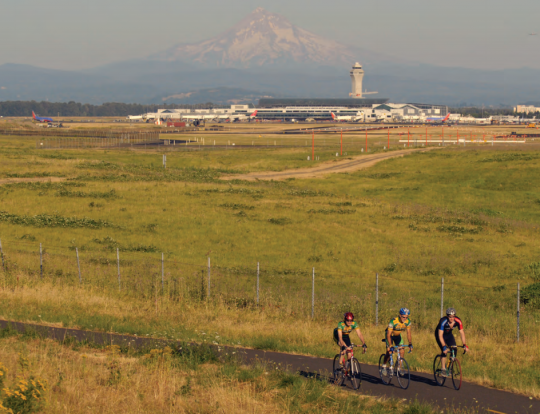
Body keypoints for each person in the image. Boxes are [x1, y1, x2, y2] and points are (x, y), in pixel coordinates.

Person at [435, 308, 469, 377]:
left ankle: (449, 367)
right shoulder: (443, 321)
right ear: (447, 316)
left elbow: (462, 333)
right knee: (444, 350)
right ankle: (443, 369)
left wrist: (464, 344)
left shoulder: (458, 321)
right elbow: (440, 335)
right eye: (450, 317)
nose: (452, 318)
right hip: (440, 335)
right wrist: (444, 346)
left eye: (453, 316)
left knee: (454, 349)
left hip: (449, 335)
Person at [382, 308, 413, 373]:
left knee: (402, 350)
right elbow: (388, 335)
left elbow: (408, 333)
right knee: (389, 351)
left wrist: (410, 343)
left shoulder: (408, 321)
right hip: (390, 335)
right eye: (403, 317)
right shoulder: (393, 321)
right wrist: (390, 346)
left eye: (406, 317)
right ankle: (384, 365)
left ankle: (399, 368)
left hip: (398, 335)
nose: (405, 318)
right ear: (400, 315)